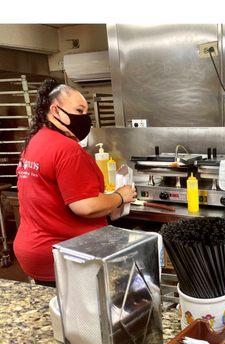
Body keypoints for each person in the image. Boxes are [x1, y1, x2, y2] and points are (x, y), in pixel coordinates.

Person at [13, 78, 136, 285]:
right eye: (79, 111)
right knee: (82, 315)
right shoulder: (67, 149)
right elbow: (84, 206)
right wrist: (119, 197)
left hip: (35, 249)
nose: (84, 118)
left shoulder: (35, 141)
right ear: (55, 110)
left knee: (59, 311)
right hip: (65, 254)